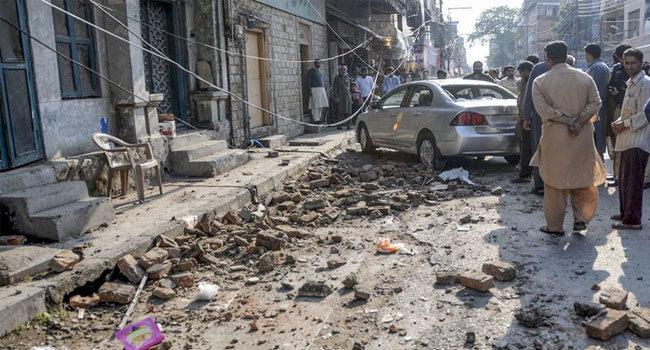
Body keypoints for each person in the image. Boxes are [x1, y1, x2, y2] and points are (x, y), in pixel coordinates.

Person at [531, 41, 607, 235]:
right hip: (582, 136)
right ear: (566, 55)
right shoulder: (585, 77)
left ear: (548, 58)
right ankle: (580, 219)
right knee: (582, 179)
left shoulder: (541, 81)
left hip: (555, 137)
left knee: (554, 184)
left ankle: (554, 227)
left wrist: (566, 120)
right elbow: (595, 103)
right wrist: (579, 121)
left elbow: (543, 110)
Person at [611, 48, 650, 230]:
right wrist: (618, 122)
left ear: (641, 63)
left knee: (633, 181)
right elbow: (628, 110)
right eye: (626, 63)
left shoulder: (645, 83)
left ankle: (633, 220)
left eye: (633, 63)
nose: (629, 66)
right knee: (624, 179)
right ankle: (626, 213)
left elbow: (644, 115)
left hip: (638, 139)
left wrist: (624, 124)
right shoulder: (632, 83)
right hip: (626, 139)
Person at [522, 58, 550, 195]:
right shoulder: (572, 70)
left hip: (540, 117)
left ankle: (540, 184)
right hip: (565, 118)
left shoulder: (538, 69)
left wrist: (526, 116)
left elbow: (529, 95)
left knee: (539, 149)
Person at [585, 43, 611, 158]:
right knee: (598, 136)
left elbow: (592, 89)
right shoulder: (603, 66)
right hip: (601, 106)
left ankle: (598, 168)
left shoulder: (595, 68)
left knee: (595, 137)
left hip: (595, 108)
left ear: (589, 54)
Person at [511, 61, 535, 184]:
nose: (521, 75)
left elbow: (527, 102)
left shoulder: (534, 82)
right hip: (524, 118)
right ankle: (526, 172)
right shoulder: (523, 82)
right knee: (525, 147)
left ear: (527, 71)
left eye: (522, 72)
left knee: (529, 148)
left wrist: (525, 118)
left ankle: (527, 174)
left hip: (530, 120)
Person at [306, 59, 328, 124]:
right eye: (318, 63)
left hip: (321, 89)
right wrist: (309, 89)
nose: (319, 65)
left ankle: (319, 117)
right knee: (315, 105)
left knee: (321, 105)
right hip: (314, 89)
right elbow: (308, 81)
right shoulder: (311, 71)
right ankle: (316, 119)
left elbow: (323, 81)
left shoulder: (320, 71)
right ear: (315, 64)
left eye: (320, 63)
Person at [332, 65, 352, 130]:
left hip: (348, 97)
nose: (344, 71)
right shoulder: (336, 78)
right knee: (340, 112)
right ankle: (339, 125)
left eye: (345, 70)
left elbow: (350, 87)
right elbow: (334, 88)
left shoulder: (348, 78)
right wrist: (336, 97)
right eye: (342, 70)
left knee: (348, 112)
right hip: (340, 97)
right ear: (339, 70)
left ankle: (348, 125)